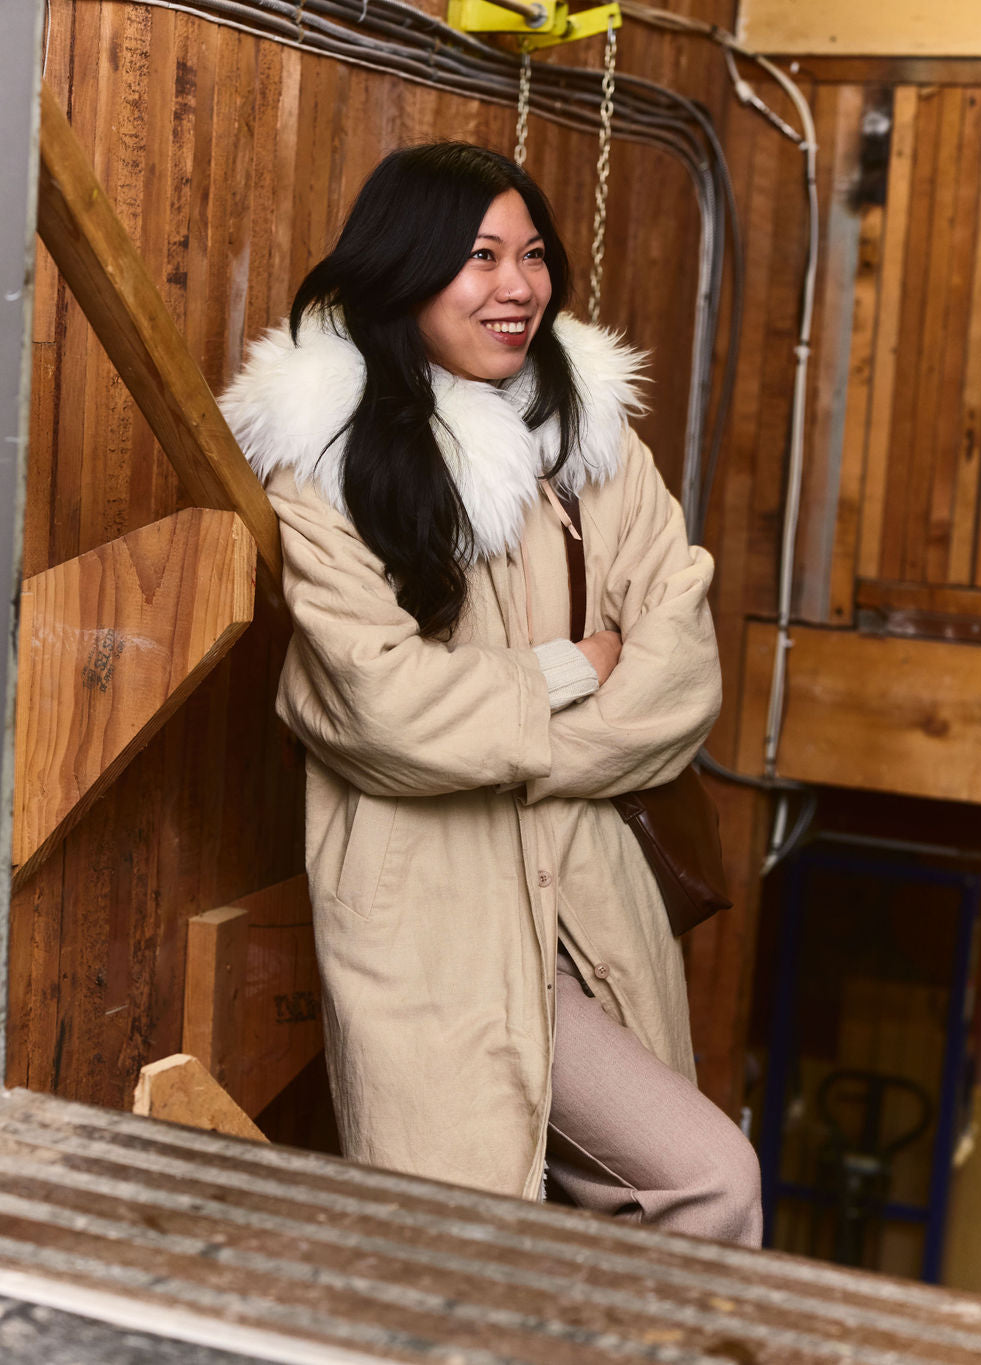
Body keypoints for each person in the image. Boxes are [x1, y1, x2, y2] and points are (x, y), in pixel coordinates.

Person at [221, 142, 762, 1246]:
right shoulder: (325, 468)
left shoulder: (594, 444)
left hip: (590, 908)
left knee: (685, 1187)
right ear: (404, 269)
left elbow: (681, 672)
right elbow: (379, 706)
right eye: (477, 258)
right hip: (437, 921)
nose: (515, 287)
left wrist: (506, 750)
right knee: (462, 1252)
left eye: (531, 256)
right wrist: (570, 675)